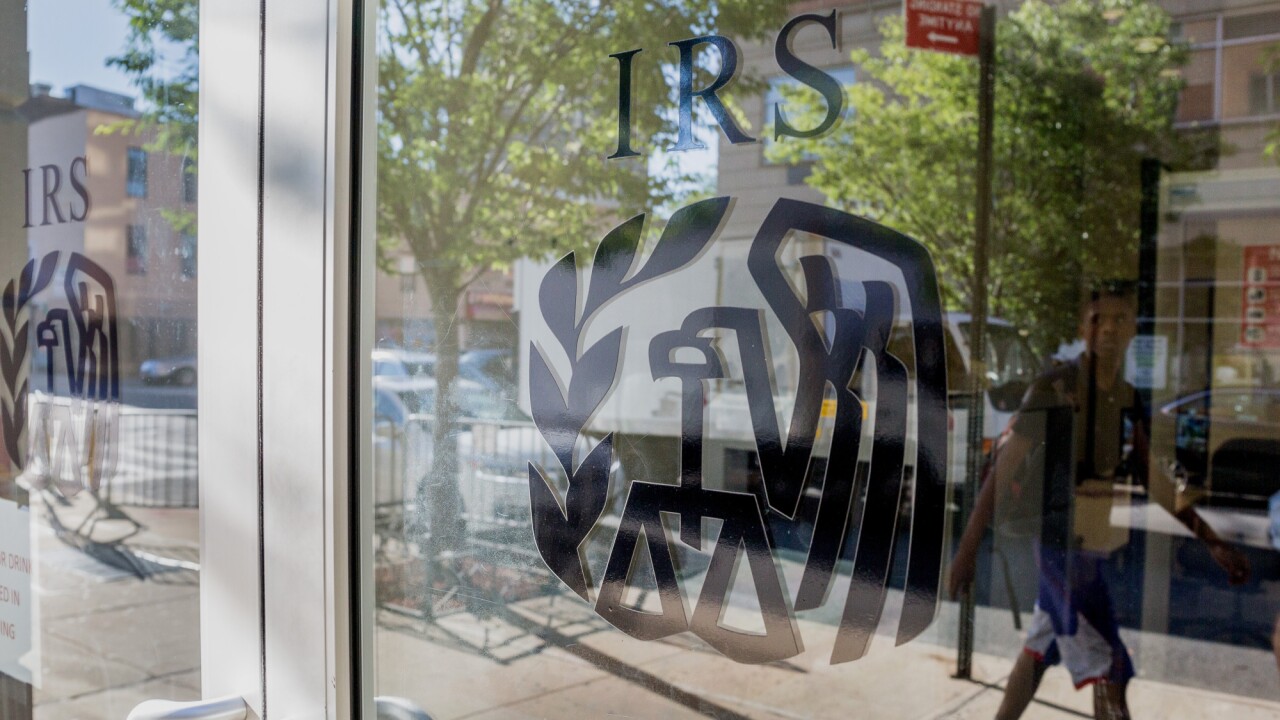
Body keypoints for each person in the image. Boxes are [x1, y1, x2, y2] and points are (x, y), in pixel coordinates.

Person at [948, 283, 1251, 720]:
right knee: (1110, 668)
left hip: (1092, 549)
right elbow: (1005, 468)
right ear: (1082, 329)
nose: (1108, 329)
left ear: (1132, 331)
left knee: (1040, 647)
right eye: (1097, 320)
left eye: (1119, 320)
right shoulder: (1053, 387)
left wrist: (1212, 540)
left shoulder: (1127, 395)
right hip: (1060, 549)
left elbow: (1154, 478)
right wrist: (967, 549)